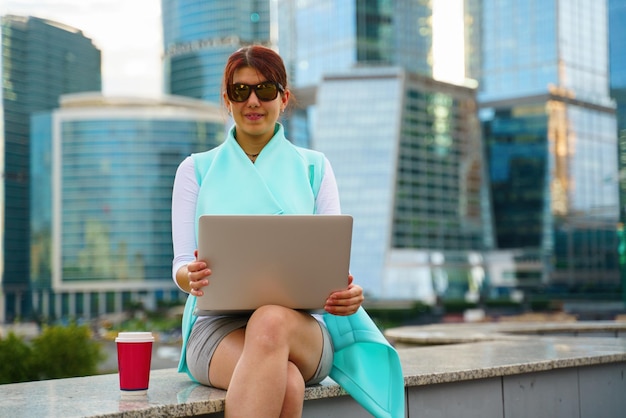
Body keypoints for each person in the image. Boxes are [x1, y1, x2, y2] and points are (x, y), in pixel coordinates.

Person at [171, 45, 365, 418]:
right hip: (216, 329)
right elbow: (181, 262)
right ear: (227, 100)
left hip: (302, 330)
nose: (253, 101)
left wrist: (349, 294)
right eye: (241, 91)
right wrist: (189, 276)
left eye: (266, 89)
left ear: (284, 97)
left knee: (271, 319)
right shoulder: (194, 170)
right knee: (287, 382)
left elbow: (334, 265)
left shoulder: (316, 168)